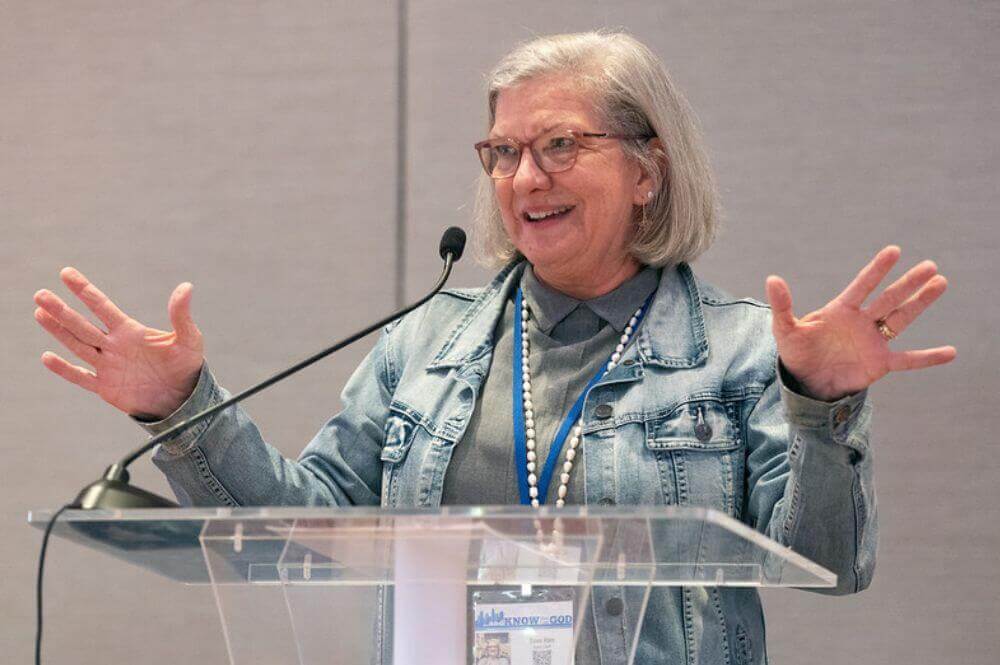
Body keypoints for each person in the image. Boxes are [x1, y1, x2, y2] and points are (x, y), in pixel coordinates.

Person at [33, 31, 954, 665]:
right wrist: (183, 403)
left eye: (558, 144)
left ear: (647, 167)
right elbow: (297, 537)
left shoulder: (744, 351)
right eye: (502, 151)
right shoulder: (423, 343)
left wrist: (820, 407)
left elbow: (831, 567)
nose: (524, 178)